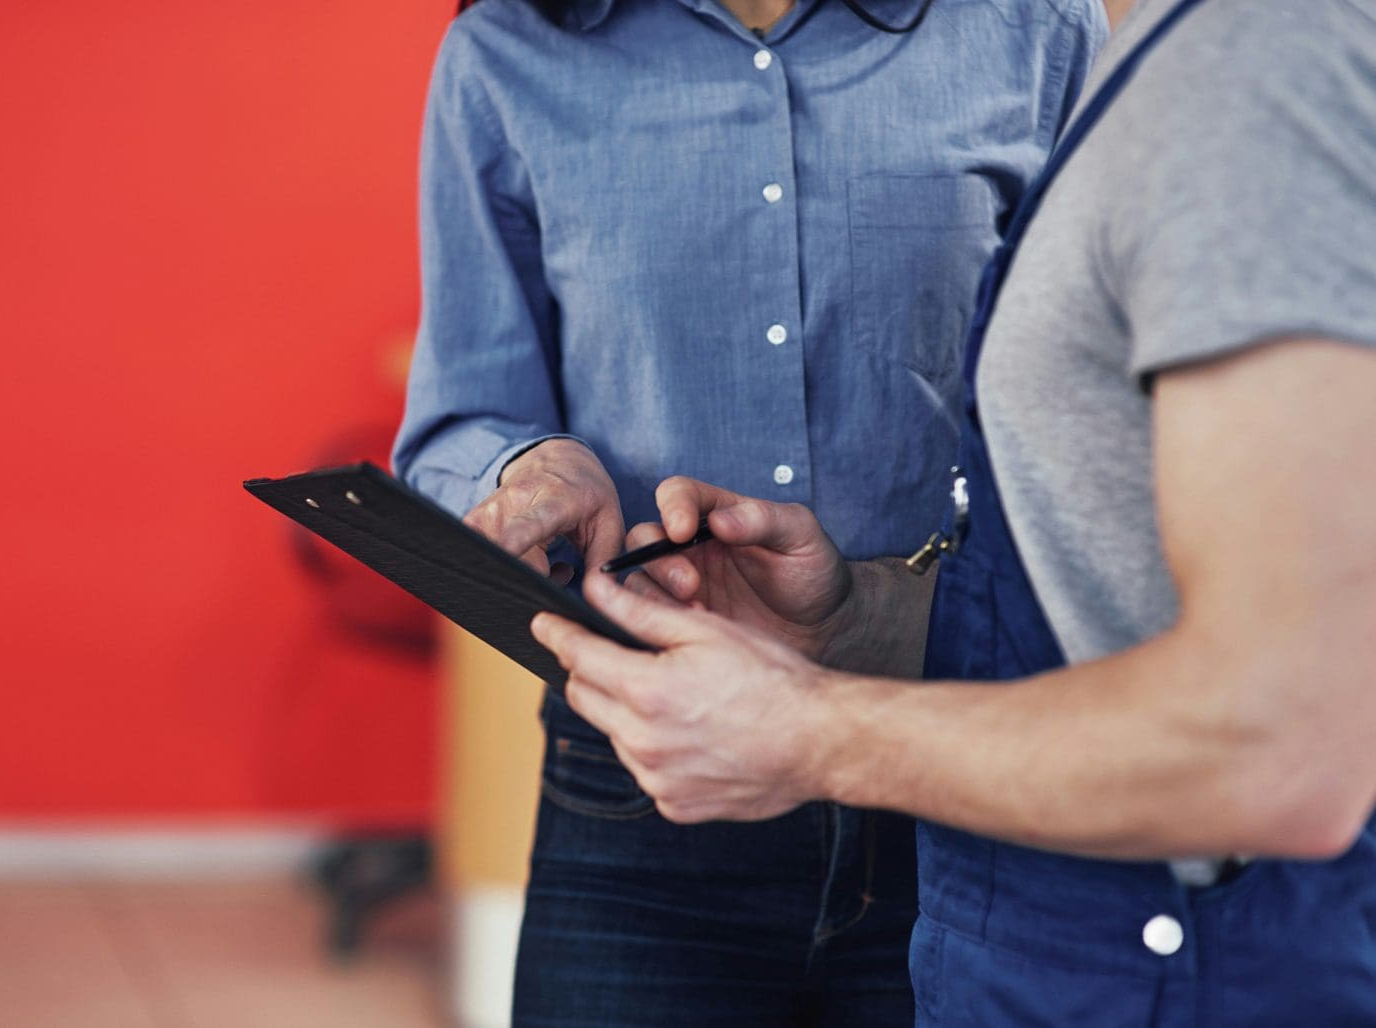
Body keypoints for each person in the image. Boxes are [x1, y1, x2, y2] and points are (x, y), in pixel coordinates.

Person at [531, 0, 1376, 1021]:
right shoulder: (1155, 58)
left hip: (1156, 970)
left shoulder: (1249, 72)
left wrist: (809, 731)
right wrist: (858, 616)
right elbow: (1102, 585)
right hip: (1031, 952)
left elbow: (1281, 743)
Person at [394, 0, 1107, 1021]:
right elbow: (461, 411)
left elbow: (1097, 407)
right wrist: (530, 466)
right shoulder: (506, 53)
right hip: (643, 775)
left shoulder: (1032, 28)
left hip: (957, 760)